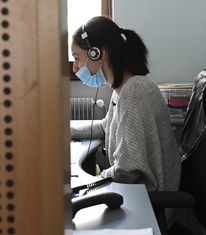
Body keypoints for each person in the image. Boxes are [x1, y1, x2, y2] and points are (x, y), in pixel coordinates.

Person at [70, 16, 181, 192]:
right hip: (136, 194)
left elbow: (127, 170)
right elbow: (105, 126)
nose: (75, 68)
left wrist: (90, 183)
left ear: (97, 53)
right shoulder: (122, 89)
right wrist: (67, 132)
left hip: (149, 203)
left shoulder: (134, 92)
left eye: (77, 58)